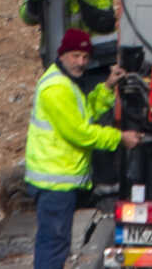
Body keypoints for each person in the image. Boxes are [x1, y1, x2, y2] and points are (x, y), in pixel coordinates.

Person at [25, 28, 120, 269]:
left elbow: (84, 115)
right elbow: (80, 133)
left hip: (59, 180)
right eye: (75, 56)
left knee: (56, 243)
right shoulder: (57, 88)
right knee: (54, 245)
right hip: (54, 182)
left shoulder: (67, 82)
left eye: (85, 57)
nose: (81, 63)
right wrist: (119, 138)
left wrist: (107, 87)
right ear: (63, 54)